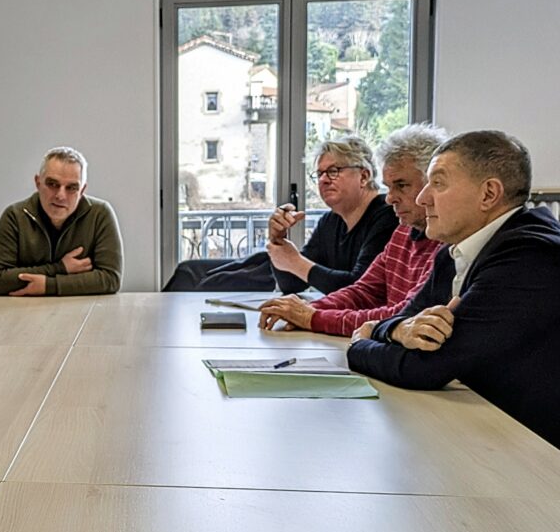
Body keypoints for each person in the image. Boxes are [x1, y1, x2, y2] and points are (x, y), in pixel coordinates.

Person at [347, 130, 560, 447]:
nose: (423, 198)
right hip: (491, 434)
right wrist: (397, 331)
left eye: (438, 183)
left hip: (536, 456)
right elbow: (407, 319)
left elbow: (429, 367)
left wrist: (359, 346)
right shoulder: (454, 251)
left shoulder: (530, 257)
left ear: (488, 194)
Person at [259, 124, 447, 335]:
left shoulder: (442, 242)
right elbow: (363, 291)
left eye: (401, 185)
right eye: (319, 173)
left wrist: (312, 316)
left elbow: (404, 316)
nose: (390, 197)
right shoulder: (402, 232)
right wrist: (306, 310)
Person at [164, 136, 397, 294]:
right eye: (320, 174)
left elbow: (360, 288)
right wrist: (278, 241)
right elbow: (292, 284)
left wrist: (295, 261)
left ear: (364, 176)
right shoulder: (331, 221)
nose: (324, 179)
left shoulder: (387, 216)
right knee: (189, 272)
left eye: (334, 171)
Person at [0, 146, 123, 296]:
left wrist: (49, 285)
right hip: (22, 312)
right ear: (38, 183)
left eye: (71, 188)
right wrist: (60, 268)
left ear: (82, 191)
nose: (60, 195)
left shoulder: (100, 214)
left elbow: (110, 279)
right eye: (52, 184)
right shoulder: (15, 216)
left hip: (82, 312)